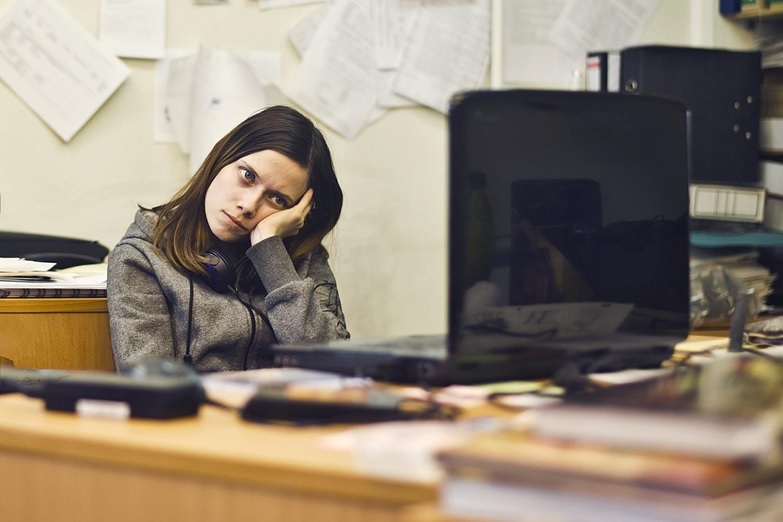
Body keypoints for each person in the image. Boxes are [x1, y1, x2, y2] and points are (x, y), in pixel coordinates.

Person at [108, 105, 350, 373]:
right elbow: (150, 385)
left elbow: (337, 371)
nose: (248, 205)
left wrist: (270, 255)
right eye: (248, 176)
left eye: (277, 199)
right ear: (223, 157)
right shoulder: (142, 256)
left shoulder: (298, 260)